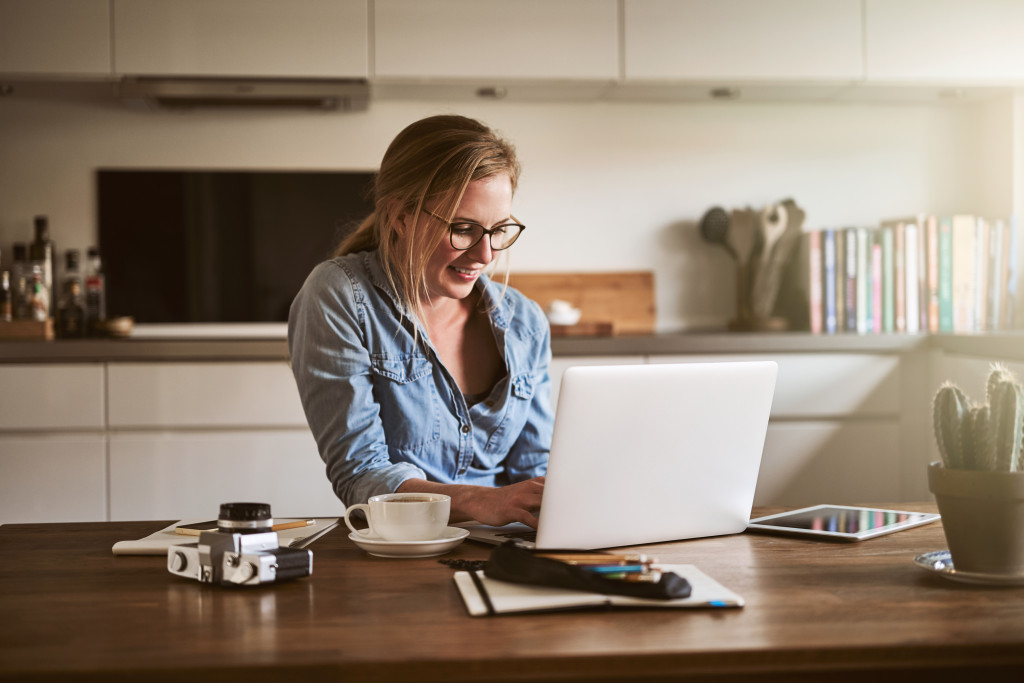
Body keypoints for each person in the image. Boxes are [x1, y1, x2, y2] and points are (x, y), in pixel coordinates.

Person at [288, 114, 553, 529]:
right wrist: (483, 502)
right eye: (463, 229)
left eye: (499, 229)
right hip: (402, 553)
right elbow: (360, 475)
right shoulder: (340, 296)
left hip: (504, 552)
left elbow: (534, 467)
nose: (486, 255)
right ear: (400, 217)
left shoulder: (526, 321)